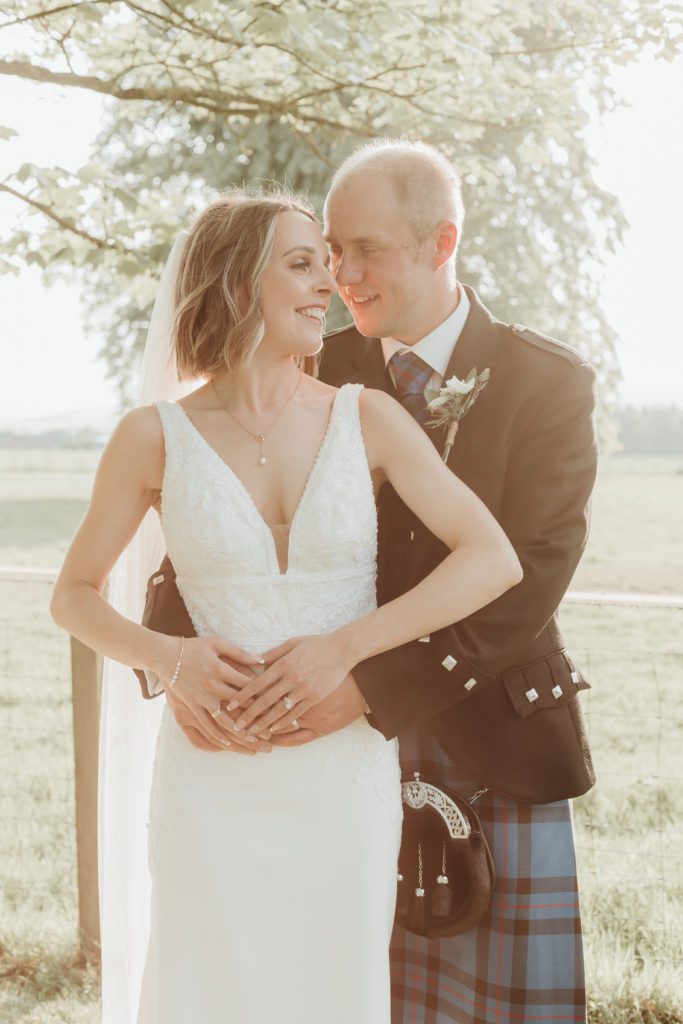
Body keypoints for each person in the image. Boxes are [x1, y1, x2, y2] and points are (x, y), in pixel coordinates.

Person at [49, 187, 522, 1024]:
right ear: (237, 284)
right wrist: (172, 659)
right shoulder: (151, 437)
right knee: (206, 987)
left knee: (332, 990)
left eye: (328, 266)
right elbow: (74, 597)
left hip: (339, 775)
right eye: (304, 263)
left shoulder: (365, 417)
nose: (330, 285)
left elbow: (490, 558)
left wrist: (346, 647)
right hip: (209, 774)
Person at [287, 139, 596, 1024]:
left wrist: (374, 688)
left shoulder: (547, 380)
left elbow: (530, 575)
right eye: (332, 248)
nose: (341, 272)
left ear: (440, 241)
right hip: (333, 742)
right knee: (355, 991)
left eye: (366, 249)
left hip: (489, 726)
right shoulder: (313, 369)